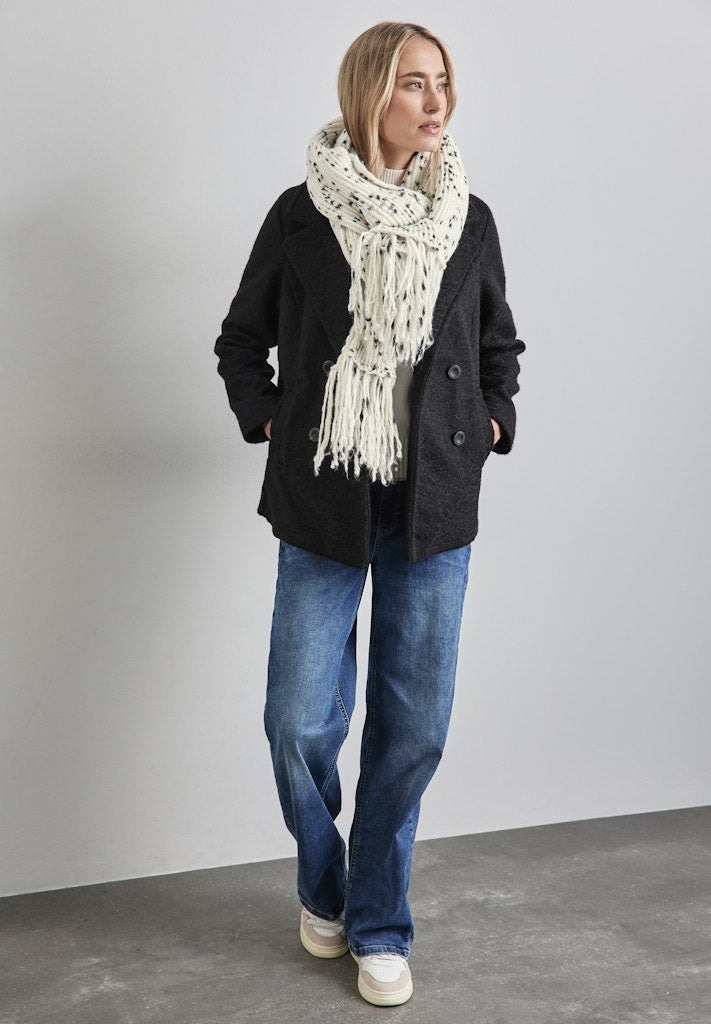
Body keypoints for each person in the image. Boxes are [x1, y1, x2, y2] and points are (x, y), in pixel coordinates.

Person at [213, 20, 525, 1007]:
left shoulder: (468, 218)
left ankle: (380, 922)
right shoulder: (299, 213)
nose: (437, 103)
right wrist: (272, 419)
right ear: (369, 94)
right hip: (325, 493)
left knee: (411, 726)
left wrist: (493, 419)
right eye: (413, 84)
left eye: (443, 83)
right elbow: (240, 339)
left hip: (432, 498)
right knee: (297, 721)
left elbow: (498, 344)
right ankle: (326, 886)